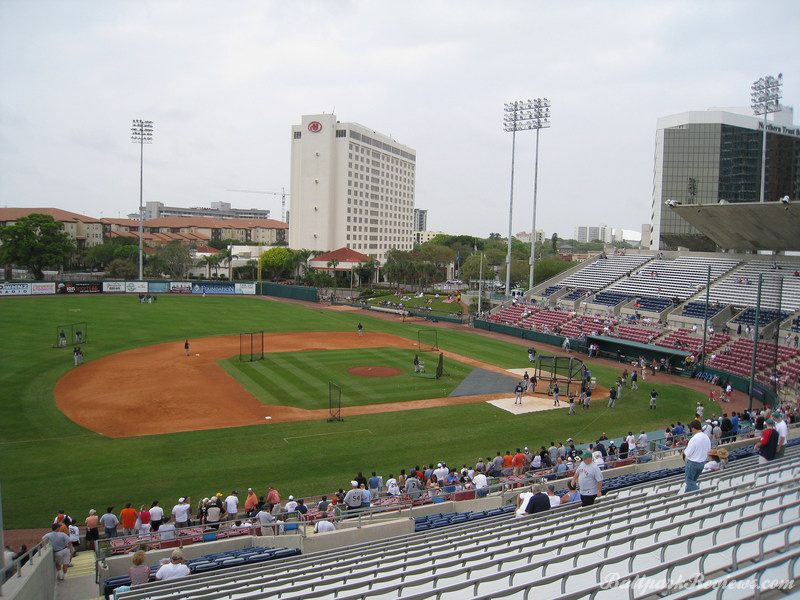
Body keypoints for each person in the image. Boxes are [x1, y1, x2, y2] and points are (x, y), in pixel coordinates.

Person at [682, 420, 711, 492]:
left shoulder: (694, 439)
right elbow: (708, 450)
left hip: (693, 463)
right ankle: (687, 495)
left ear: (693, 428)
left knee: (689, 481)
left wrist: (683, 452)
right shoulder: (706, 437)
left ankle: (700, 495)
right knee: (692, 482)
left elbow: (688, 453)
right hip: (701, 463)